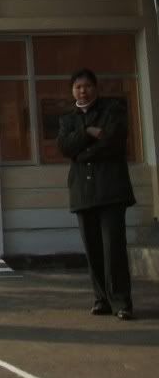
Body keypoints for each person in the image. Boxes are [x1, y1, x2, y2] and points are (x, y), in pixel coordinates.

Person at [57, 68, 135, 321]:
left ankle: (121, 302)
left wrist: (80, 154)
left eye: (88, 86)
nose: (83, 91)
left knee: (114, 249)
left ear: (96, 87)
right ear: (72, 91)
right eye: (78, 87)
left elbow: (113, 142)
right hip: (83, 192)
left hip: (111, 190)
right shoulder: (68, 119)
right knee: (93, 249)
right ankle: (101, 299)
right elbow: (64, 146)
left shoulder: (112, 110)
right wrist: (88, 133)